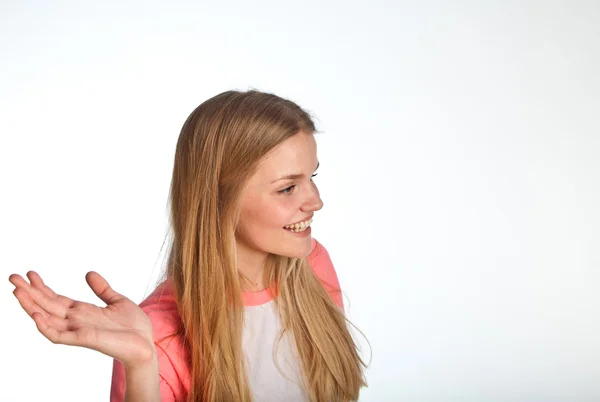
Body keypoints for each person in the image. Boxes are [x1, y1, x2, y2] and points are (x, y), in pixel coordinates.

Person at [9, 89, 369, 401]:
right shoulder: (158, 335)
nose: (315, 201)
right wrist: (142, 365)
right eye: (288, 188)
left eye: (312, 177)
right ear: (219, 199)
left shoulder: (312, 266)